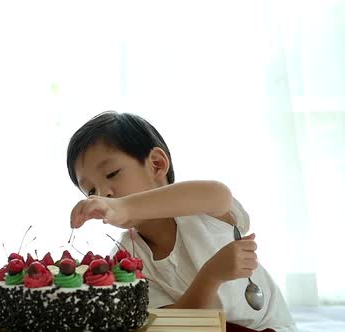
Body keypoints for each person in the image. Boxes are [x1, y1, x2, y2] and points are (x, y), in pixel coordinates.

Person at [66, 111, 296, 332]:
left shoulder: (196, 208)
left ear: (157, 164)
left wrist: (124, 207)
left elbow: (219, 194)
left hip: (266, 328)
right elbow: (175, 323)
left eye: (112, 173)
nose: (103, 194)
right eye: (91, 191)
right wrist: (211, 275)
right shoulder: (126, 256)